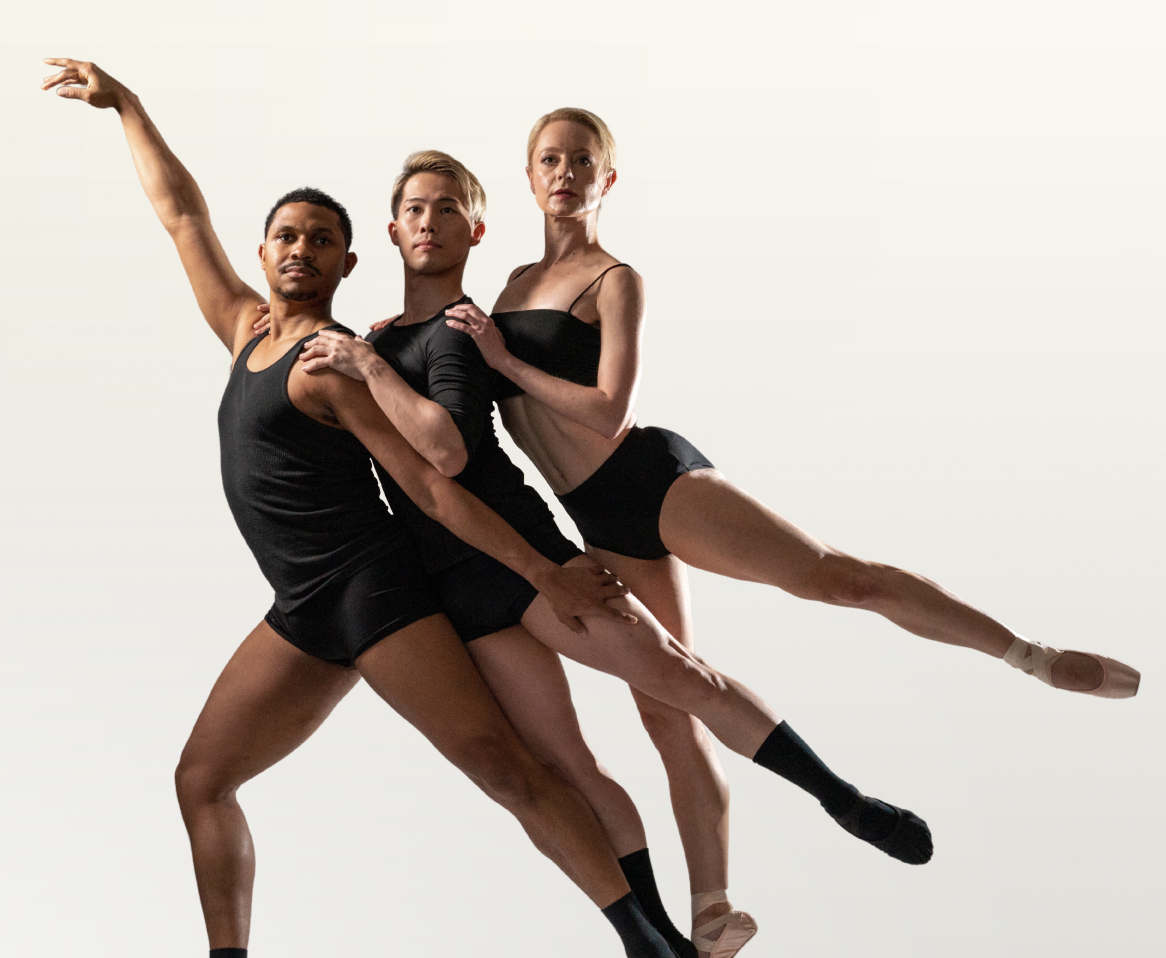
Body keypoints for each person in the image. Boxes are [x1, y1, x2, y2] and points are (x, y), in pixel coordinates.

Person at [42, 58, 716, 958]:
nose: (299, 249)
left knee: (509, 770)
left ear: (347, 264)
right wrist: (128, 108)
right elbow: (180, 214)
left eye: (322, 239)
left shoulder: (331, 368)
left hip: (375, 595)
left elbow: (431, 489)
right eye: (286, 234)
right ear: (265, 250)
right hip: (302, 606)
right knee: (202, 778)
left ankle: (655, 956)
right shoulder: (243, 331)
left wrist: (541, 570)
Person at [283, 151, 919, 958]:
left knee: (681, 681)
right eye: (412, 211)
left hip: (527, 559)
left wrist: (374, 369)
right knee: (569, 768)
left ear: (475, 231)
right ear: (391, 231)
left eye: (445, 210)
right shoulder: (377, 338)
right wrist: (365, 359)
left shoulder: (459, 332)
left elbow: (449, 453)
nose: (426, 223)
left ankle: (843, 799)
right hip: (455, 587)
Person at [448, 107, 1139, 707]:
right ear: (530, 178)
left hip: (651, 482)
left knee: (837, 580)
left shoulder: (616, 279)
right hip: (594, 517)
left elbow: (608, 412)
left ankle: (1032, 656)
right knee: (669, 704)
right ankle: (705, 866)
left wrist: (505, 361)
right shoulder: (508, 289)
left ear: (607, 180)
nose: (565, 171)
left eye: (582, 160)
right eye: (550, 160)